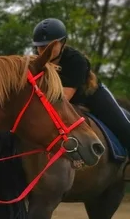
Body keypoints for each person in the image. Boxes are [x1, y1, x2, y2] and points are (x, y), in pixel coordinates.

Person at [32, 18, 130, 151]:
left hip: (91, 96)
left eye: (50, 46)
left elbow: (64, 98)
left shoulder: (76, 60)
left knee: (124, 128)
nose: (44, 51)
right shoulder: (36, 61)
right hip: (56, 101)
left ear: (63, 43)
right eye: (40, 47)